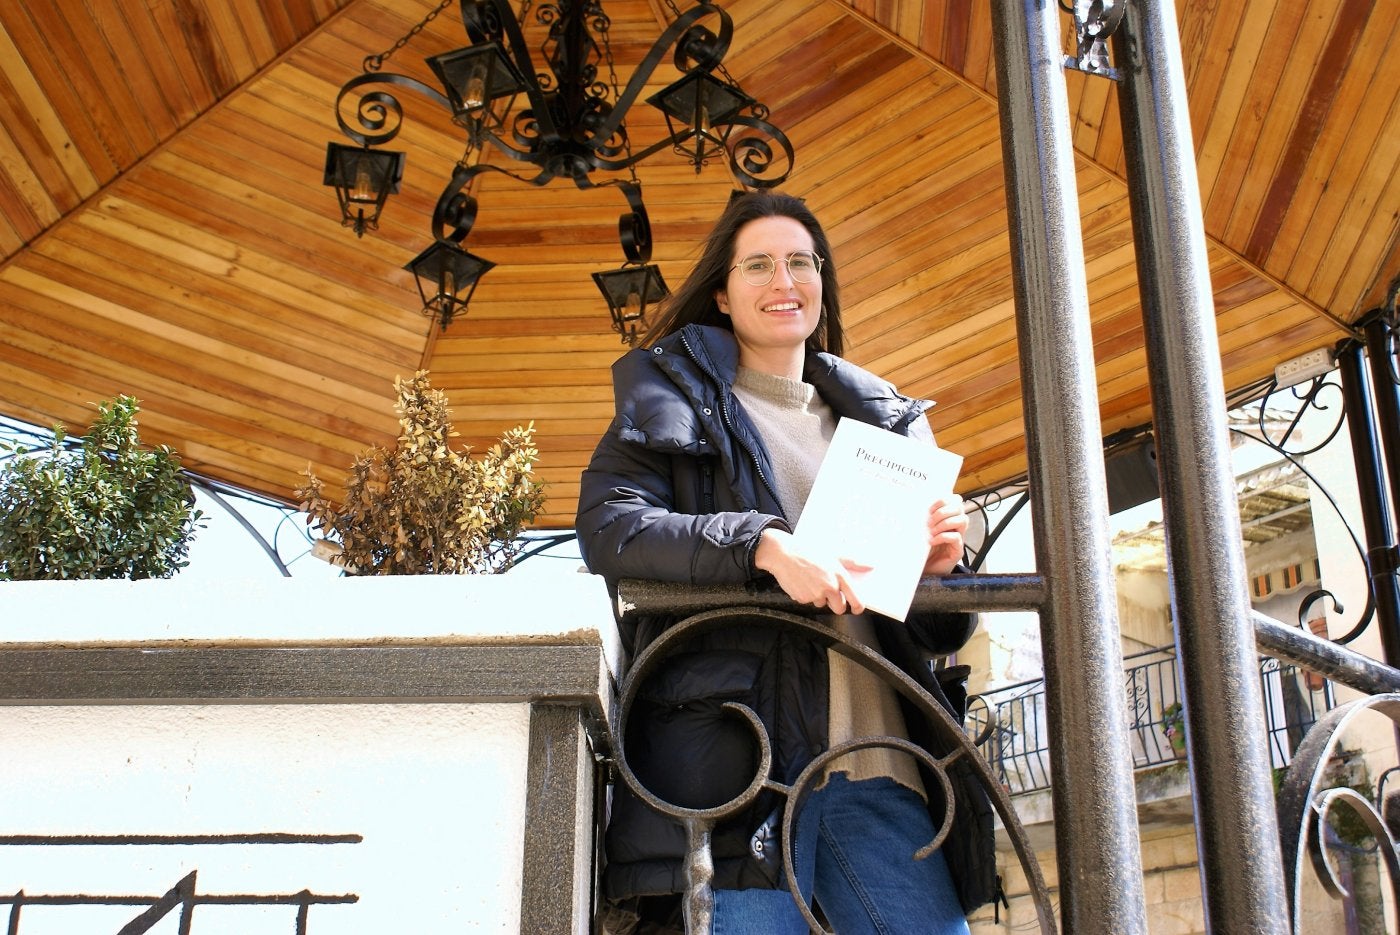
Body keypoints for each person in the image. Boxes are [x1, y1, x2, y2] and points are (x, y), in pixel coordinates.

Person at [576, 191, 995, 934]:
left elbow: (940, 633)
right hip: (740, 773)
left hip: (881, 759)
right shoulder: (668, 398)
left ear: (822, 281)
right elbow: (611, 527)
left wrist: (939, 572)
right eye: (759, 265)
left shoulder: (883, 421)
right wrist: (761, 544)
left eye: (801, 262)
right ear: (722, 292)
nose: (784, 281)